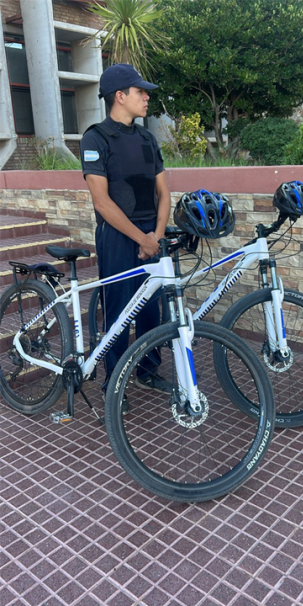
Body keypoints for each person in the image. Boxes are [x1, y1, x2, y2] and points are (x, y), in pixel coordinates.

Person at [80, 64, 171, 395]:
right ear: (120, 96)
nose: (147, 97)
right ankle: (113, 382)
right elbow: (102, 203)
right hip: (118, 237)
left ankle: (148, 370)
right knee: (118, 310)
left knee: (151, 308)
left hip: (151, 234)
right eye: (140, 92)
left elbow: (164, 193)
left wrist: (156, 237)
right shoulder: (96, 138)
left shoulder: (148, 139)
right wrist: (141, 239)